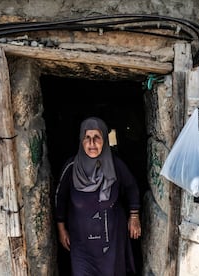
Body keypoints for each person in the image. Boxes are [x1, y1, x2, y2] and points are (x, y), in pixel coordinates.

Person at [55, 116, 142, 276]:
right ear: (81, 140)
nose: (92, 143)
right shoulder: (71, 167)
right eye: (87, 138)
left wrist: (134, 216)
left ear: (105, 140)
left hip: (112, 241)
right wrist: (61, 229)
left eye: (97, 138)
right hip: (81, 244)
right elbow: (60, 199)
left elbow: (132, 188)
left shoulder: (115, 165)